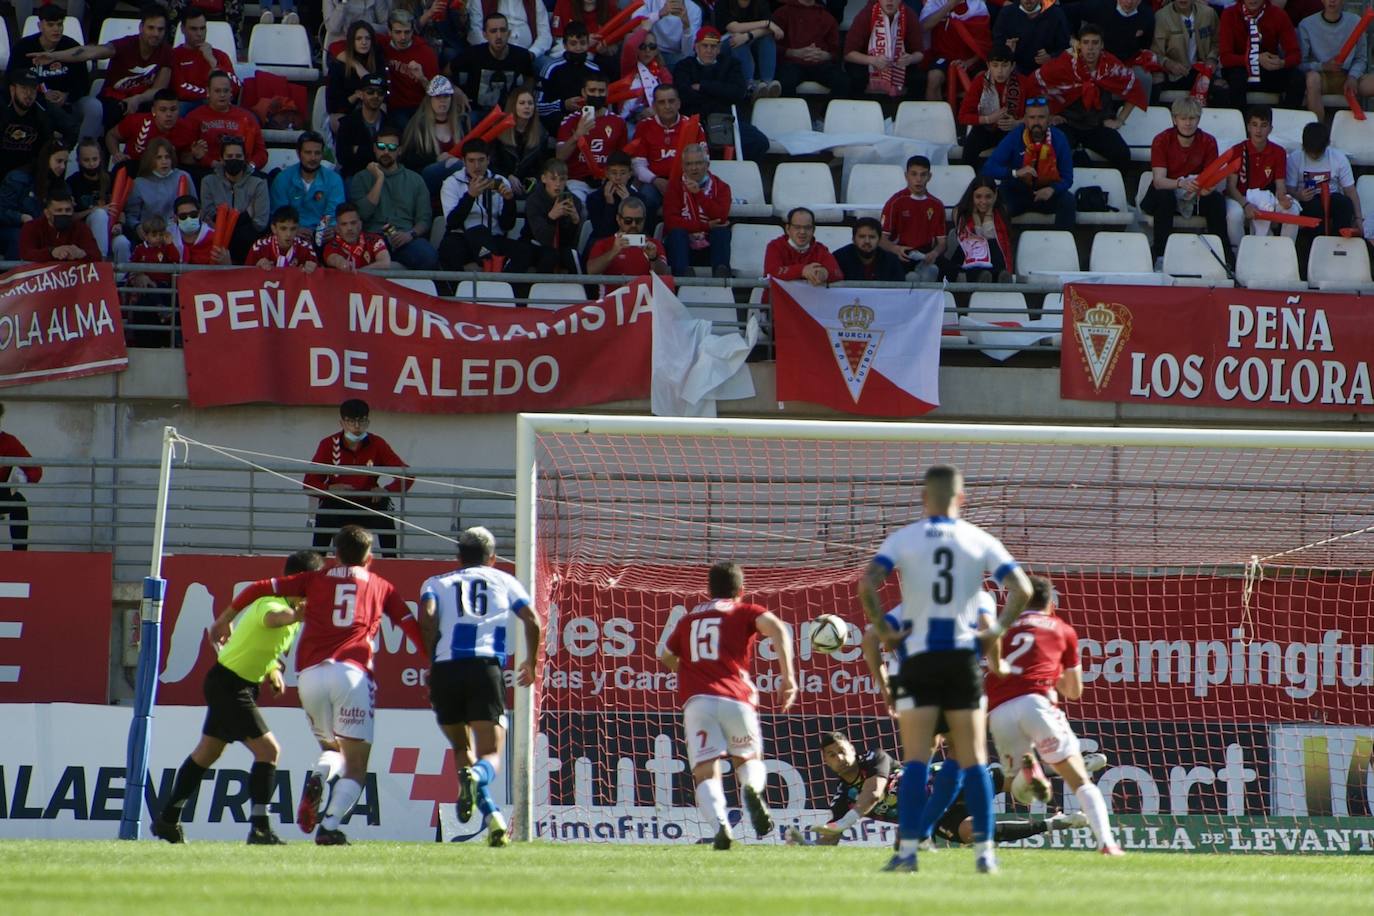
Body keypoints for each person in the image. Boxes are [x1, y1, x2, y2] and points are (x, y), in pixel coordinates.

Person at [856, 463, 1034, 874]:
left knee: (916, 760)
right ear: (962, 498)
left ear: (924, 498)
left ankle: (907, 853)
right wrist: (997, 640)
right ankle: (985, 854)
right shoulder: (978, 538)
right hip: (960, 658)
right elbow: (1021, 589)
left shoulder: (906, 537)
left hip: (918, 661)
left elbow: (867, 584)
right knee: (973, 758)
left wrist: (885, 629)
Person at [217, 526, 423, 845]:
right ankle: (329, 825)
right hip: (352, 674)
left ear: (335, 554)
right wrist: (433, 664)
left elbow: (258, 588)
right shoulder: (382, 586)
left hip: (310, 675)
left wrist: (223, 619)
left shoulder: (314, 579)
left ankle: (319, 775)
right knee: (356, 765)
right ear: (369, 557)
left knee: (331, 748)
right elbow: (409, 624)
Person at [152, 549, 326, 845]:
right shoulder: (274, 604)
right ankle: (259, 828)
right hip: (230, 686)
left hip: (232, 683)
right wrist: (295, 614)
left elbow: (256, 643)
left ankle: (168, 819)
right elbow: (272, 619)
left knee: (207, 753)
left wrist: (272, 670)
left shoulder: (292, 609)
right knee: (268, 751)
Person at [417, 526, 542, 848]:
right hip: (485, 669)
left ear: (459, 557)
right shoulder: (505, 580)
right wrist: (531, 662)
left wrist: (433, 659)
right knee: (490, 754)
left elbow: (427, 618)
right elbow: (533, 620)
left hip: (446, 671)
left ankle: (492, 818)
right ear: (493, 558)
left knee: (461, 748)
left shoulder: (435, 583)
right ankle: (476, 779)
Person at [658, 561, 797, 849]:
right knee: (748, 761)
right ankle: (751, 789)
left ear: (709, 591)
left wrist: (693, 670)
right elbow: (779, 630)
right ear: (741, 590)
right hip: (736, 698)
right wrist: (788, 679)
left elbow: (666, 656)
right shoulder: (745, 610)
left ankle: (720, 825)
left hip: (697, 703)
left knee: (705, 772)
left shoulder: (689, 620)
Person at [986, 574, 1123, 855]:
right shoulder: (1061, 629)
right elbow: (1074, 690)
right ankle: (1107, 843)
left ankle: (1032, 768)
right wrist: (1052, 670)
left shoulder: (1002, 629)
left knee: (1020, 792)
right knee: (1080, 782)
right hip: (1036, 703)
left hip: (998, 711)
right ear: (1050, 603)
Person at [788, 731, 1090, 848]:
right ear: (825, 762)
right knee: (975, 834)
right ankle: (1056, 823)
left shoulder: (874, 758)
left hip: (944, 786)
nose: (837, 758)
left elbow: (875, 793)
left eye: (840, 750)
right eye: (830, 755)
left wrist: (843, 822)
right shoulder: (842, 797)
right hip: (932, 820)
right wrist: (808, 845)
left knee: (1016, 782)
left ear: (852, 749)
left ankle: (1074, 767)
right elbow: (831, 842)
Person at [30, 4, 173, 131]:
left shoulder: (166, 52)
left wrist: (138, 99)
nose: (155, 34)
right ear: (141, 27)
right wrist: (55, 56)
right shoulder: (126, 45)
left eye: (160, 29)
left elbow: (159, 90)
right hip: (113, 100)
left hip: (143, 102)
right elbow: (90, 52)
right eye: (151, 28)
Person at [303, 400, 413, 558]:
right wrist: (330, 489)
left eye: (361, 421)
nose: (356, 426)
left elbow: (407, 474)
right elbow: (308, 483)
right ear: (342, 422)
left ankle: (391, 561)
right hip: (337, 502)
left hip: (369, 503)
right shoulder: (328, 444)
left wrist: (386, 490)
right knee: (324, 514)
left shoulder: (377, 444)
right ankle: (317, 563)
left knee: (386, 512)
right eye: (351, 421)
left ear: (368, 422)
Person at [1034, 25, 1146, 171]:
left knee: (1122, 154)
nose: (1090, 47)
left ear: (1102, 45)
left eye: (1095, 43)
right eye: (1086, 42)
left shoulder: (1111, 65)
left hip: (1097, 125)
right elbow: (1037, 85)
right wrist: (1050, 115)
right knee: (1054, 154)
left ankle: (1117, 189)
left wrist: (1120, 120)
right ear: (1079, 45)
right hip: (1068, 123)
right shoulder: (1065, 62)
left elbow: (1134, 89)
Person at [1142, 96, 1227, 266]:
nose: (1187, 123)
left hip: (1195, 192)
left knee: (1216, 200)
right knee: (1165, 197)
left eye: (1192, 118)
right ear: (1174, 119)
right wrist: (1180, 183)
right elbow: (1159, 181)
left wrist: (1205, 189)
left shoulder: (1208, 141)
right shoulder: (1161, 140)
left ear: (1198, 119)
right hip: (1166, 191)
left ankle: (1224, 257)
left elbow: (1211, 179)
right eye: (1183, 118)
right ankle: (1160, 256)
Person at [348, 126, 440, 270]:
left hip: (405, 238)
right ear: (374, 149)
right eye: (381, 146)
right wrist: (379, 179)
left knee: (428, 256)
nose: (386, 152)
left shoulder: (415, 180)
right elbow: (363, 214)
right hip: (372, 239)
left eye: (391, 147)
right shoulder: (361, 178)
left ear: (399, 151)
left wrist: (410, 234)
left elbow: (424, 219)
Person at [673, 26, 768, 162]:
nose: (709, 50)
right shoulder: (684, 66)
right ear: (696, 47)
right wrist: (721, 92)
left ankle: (734, 171)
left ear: (719, 48)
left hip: (726, 121)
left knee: (760, 142)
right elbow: (684, 95)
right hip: (695, 121)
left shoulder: (731, 64)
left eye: (713, 46)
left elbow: (738, 92)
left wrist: (703, 86)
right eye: (705, 46)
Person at [984, 96, 1076, 230]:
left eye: (1041, 117)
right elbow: (988, 168)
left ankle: (1061, 246)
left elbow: (1068, 178)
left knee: (1068, 201)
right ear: (1025, 120)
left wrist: (1053, 189)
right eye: (1032, 118)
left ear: (1049, 119)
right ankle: (1004, 247)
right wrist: (1015, 173)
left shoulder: (1059, 138)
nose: (1036, 122)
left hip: (1046, 193)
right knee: (999, 205)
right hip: (1017, 192)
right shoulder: (1015, 137)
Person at [10, 4, 94, 145]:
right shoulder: (23, 47)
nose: (56, 29)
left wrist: (67, 95)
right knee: (47, 111)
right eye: (50, 25)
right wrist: (41, 95)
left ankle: (85, 153)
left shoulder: (72, 47)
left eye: (60, 24)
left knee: (94, 107)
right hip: (34, 101)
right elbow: (11, 79)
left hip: (69, 100)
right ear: (40, 26)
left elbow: (83, 83)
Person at [438, 138, 526, 271]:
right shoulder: (452, 183)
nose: (477, 166)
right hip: (462, 238)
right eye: (471, 161)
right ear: (463, 161)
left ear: (488, 160)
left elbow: (507, 226)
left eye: (481, 160)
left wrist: (509, 201)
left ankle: (504, 286)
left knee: (524, 251)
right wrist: (470, 196)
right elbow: (452, 223)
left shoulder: (500, 181)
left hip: (493, 238)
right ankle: (487, 269)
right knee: (450, 248)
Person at [1224, 105, 1300, 253]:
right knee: (1234, 215)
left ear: (1271, 128)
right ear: (1248, 127)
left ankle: (1284, 254)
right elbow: (1231, 187)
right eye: (1254, 125)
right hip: (1240, 197)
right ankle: (1238, 255)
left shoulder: (1278, 152)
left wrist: (1283, 198)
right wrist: (1245, 205)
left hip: (1266, 196)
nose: (1258, 130)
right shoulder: (1238, 150)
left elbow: (1280, 185)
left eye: (1263, 125)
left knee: (1292, 210)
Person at [1287, 120, 1362, 270]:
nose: (1314, 155)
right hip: (1307, 199)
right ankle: (1316, 254)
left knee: (1344, 204)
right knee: (1314, 209)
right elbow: (1288, 189)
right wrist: (1299, 195)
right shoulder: (1295, 158)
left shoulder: (1338, 158)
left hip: (1332, 196)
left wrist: (1359, 218)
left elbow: (1350, 190)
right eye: (1310, 152)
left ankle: (1339, 247)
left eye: (1318, 152)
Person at [624, 84, 706, 220]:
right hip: (654, 182)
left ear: (679, 103)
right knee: (645, 199)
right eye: (662, 102)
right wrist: (656, 180)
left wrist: (685, 183)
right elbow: (638, 165)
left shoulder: (693, 126)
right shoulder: (644, 126)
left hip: (687, 181)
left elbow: (704, 161)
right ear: (654, 106)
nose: (667, 106)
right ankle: (647, 238)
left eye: (671, 101)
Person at [555, 72, 629, 202]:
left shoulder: (618, 122)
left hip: (608, 181)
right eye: (592, 90)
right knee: (576, 204)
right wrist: (577, 135)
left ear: (607, 92)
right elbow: (560, 156)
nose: (596, 94)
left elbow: (622, 159)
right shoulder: (570, 121)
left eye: (601, 91)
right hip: (577, 182)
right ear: (583, 92)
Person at [662, 142, 733, 278]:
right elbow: (671, 222)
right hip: (683, 246)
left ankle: (721, 275)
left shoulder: (722, 187)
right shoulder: (674, 187)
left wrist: (699, 194)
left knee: (722, 231)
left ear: (707, 165)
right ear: (683, 167)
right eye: (689, 164)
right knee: (677, 233)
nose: (694, 168)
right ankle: (684, 276)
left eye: (698, 163)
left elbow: (721, 217)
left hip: (709, 246)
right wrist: (705, 225)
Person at [119, 138, 195, 262]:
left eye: (167, 157)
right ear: (151, 159)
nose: (164, 161)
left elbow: (195, 207)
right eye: (159, 158)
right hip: (151, 237)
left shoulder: (184, 177)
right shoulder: (139, 184)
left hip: (177, 235)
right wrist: (138, 227)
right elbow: (131, 216)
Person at [178, 71, 268, 175]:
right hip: (207, 172)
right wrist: (201, 158)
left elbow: (262, 153)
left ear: (231, 92)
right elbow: (185, 155)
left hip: (241, 172)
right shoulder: (194, 117)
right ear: (208, 91)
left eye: (225, 91)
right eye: (217, 91)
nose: (222, 95)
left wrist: (250, 166)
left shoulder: (247, 117)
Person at [1297, 0, 1374, 120]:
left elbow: (1361, 58)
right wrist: (1323, 66)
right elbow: (1301, 64)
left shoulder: (1355, 21)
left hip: (1348, 76)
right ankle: (1318, 130)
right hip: (1322, 77)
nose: (1332, 1)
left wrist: (1353, 76)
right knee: (1312, 79)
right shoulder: (1306, 24)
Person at [454, 13, 537, 123]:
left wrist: (522, 96)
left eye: (502, 30)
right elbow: (445, 74)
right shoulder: (472, 54)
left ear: (509, 33)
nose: (498, 36)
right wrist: (457, 91)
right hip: (476, 111)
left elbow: (530, 79)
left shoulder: (521, 56)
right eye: (493, 31)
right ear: (485, 35)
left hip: (507, 112)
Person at [1218, 0, 1300, 111]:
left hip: (1268, 69)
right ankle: (1241, 123)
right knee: (1237, 77)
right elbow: (1225, 58)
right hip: (1241, 69)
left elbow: (1295, 54)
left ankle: (1288, 120)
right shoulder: (1229, 14)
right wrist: (1256, 59)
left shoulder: (1278, 14)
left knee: (1297, 77)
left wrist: (1282, 63)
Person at [200, 136, 270, 262]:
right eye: (230, 156)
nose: (234, 160)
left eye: (238, 156)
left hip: (248, 244)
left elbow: (260, 223)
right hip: (217, 243)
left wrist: (226, 222)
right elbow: (208, 218)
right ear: (221, 159)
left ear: (245, 158)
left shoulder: (259, 184)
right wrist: (247, 215)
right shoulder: (208, 182)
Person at [271, 132, 348, 244]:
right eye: (308, 152)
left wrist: (331, 229)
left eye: (317, 153)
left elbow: (334, 213)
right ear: (298, 153)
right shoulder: (283, 179)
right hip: (290, 235)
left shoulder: (334, 180)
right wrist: (295, 229)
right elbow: (279, 213)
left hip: (324, 238)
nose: (313, 158)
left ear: (322, 154)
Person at [879, 155, 946, 281]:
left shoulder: (937, 204)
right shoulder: (895, 202)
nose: (918, 179)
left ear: (929, 177)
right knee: (896, 268)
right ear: (906, 176)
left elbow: (942, 243)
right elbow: (881, 239)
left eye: (923, 174)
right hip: (902, 252)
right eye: (914, 174)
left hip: (926, 253)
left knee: (948, 268)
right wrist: (895, 249)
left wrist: (935, 253)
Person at [959, 45, 1029, 165]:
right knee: (970, 148)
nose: (1000, 71)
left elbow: (1037, 114)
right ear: (988, 65)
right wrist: (988, 119)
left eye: (1005, 65)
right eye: (995, 65)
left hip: (1014, 129)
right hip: (986, 128)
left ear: (1012, 66)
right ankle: (970, 180)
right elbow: (963, 116)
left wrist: (1018, 123)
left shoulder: (1024, 82)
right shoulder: (980, 82)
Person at [0, 140, 68, 260]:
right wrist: (21, 217)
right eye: (59, 161)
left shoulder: (61, 185)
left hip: (41, 230)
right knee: (19, 236)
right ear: (46, 159)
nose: (63, 166)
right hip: (11, 229)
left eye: (65, 162)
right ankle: (14, 276)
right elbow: (1, 210)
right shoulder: (17, 178)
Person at [938, 177, 1015, 282]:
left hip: (993, 258)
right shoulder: (960, 211)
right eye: (978, 197)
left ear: (995, 195)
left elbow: (991, 240)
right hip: (967, 255)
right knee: (981, 245)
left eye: (988, 197)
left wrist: (988, 214)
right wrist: (976, 219)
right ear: (971, 196)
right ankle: (990, 276)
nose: (983, 201)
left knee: (992, 243)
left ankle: (994, 275)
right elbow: (976, 242)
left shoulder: (1001, 212)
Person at [401, 76, 463, 194]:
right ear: (430, 100)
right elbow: (407, 160)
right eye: (437, 96)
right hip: (427, 180)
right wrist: (435, 159)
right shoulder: (418, 125)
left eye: (446, 96)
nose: (442, 100)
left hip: (457, 181)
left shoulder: (462, 123)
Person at [775, 0, 850, 98]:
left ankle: (826, 113)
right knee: (783, 82)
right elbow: (771, 46)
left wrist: (826, 56)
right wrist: (792, 52)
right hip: (792, 64)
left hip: (819, 64)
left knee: (844, 82)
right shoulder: (782, 13)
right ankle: (792, 112)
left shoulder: (827, 17)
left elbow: (836, 50)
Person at [523, 157, 586, 272]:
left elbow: (570, 241)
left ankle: (584, 288)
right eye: (553, 179)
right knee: (549, 255)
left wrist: (575, 222)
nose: (558, 184)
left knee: (572, 255)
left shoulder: (574, 201)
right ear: (543, 178)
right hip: (535, 244)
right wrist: (551, 217)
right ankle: (538, 288)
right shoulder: (534, 201)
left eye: (562, 179)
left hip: (562, 247)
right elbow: (542, 238)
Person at [538, 21, 603, 133]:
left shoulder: (595, 70)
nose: (578, 48)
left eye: (582, 43)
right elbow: (538, 107)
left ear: (588, 44)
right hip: (558, 121)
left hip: (588, 119)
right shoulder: (551, 68)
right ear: (564, 45)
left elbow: (604, 101)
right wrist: (563, 105)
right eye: (573, 43)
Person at [1151, 0, 1221, 102]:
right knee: (1155, 82)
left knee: (1221, 89)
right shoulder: (1161, 16)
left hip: (1202, 69)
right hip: (1173, 73)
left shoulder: (1208, 13)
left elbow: (1218, 42)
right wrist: (1167, 63)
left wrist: (1212, 58)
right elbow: (1155, 52)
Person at [325, 21, 388, 134]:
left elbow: (384, 92)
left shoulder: (378, 59)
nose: (364, 42)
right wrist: (355, 96)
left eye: (367, 38)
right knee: (337, 121)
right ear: (351, 41)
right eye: (358, 39)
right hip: (346, 109)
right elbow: (333, 105)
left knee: (383, 110)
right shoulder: (338, 66)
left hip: (372, 107)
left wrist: (370, 95)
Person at [587, 196, 670, 281]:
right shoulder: (603, 244)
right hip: (612, 294)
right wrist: (613, 252)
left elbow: (664, 276)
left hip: (644, 293)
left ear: (644, 220)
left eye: (638, 221)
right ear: (618, 219)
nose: (633, 225)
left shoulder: (654, 245)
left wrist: (653, 258)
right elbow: (591, 271)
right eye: (628, 221)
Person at [173, 7, 240, 109]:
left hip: (220, 106)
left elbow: (235, 87)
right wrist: (211, 95)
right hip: (191, 105)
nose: (199, 34)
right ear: (182, 29)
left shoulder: (219, 55)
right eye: (193, 29)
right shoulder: (174, 55)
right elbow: (180, 89)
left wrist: (213, 62)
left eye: (202, 28)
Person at [382, 10, 439, 126]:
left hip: (420, 106)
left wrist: (422, 78)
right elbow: (336, 46)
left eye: (407, 32)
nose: (403, 37)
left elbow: (436, 92)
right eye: (398, 32)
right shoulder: (382, 44)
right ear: (389, 32)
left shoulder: (426, 52)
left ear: (413, 31)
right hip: (394, 107)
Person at [716, 0, 783, 97]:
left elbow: (769, 30)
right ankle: (749, 86)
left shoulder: (760, 2)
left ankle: (768, 84)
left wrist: (748, 36)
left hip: (750, 39)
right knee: (737, 41)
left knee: (767, 39)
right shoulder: (723, 2)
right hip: (726, 43)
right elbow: (734, 27)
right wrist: (766, 23)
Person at [105, 89, 182, 171]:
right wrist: (117, 153)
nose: (169, 114)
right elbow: (111, 135)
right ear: (153, 111)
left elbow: (187, 158)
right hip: (135, 168)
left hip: (168, 171)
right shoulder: (135, 121)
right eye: (163, 110)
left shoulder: (187, 127)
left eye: (173, 109)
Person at [764, 207, 843, 286]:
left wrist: (825, 273)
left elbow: (838, 274)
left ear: (813, 230)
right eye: (797, 227)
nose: (802, 232)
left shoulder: (820, 249)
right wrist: (802, 270)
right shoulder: (775, 246)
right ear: (787, 229)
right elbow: (771, 272)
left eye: (807, 228)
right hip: (778, 297)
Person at [0, 70, 56, 181]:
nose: (29, 94)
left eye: (33, 89)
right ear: (12, 89)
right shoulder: (2, 110)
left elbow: (72, 128)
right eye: (23, 88)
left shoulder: (42, 113)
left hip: (28, 177)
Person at [0, 404, 42, 551]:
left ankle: (20, 555)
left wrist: (22, 478)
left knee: (19, 502)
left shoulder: (8, 442)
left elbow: (35, 469)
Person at [992, 0, 1071, 76]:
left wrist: (1051, 57)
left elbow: (1065, 47)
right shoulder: (1006, 13)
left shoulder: (1056, 14)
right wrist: (1007, 51)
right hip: (1015, 70)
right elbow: (997, 46)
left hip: (1046, 72)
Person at [19, 188, 100, 262]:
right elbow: (26, 253)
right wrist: (52, 252)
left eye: (68, 210)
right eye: (59, 210)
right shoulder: (32, 227)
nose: (64, 213)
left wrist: (81, 253)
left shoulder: (81, 228)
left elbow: (97, 256)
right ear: (47, 213)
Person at [586, 151, 651, 241]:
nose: (618, 178)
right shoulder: (594, 198)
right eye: (614, 173)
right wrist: (610, 204)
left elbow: (641, 232)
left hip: (631, 242)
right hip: (603, 244)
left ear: (630, 174)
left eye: (623, 173)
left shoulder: (639, 199)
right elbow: (602, 233)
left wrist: (628, 203)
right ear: (607, 173)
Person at [491, 85, 547, 188]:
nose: (527, 107)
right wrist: (508, 176)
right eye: (522, 103)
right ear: (513, 106)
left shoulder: (541, 134)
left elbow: (541, 166)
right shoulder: (498, 130)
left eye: (530, 103)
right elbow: (492, 164)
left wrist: (533, 179)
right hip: (502, 182)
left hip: (526, 186)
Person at [336, 74, 390, 178]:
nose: (375, 96)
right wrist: (378, 150)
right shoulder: (347, 122)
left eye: (380, 92)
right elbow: (342, 157)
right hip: (355, 175)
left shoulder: (391, 122)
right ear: (360, 94)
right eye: (370, 91)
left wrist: (358, 149)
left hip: (385, 175)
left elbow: (395, 156)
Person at [68, 139, 113, 257]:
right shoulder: (72, 182)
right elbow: (70, 217)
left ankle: (123, 275)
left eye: (95, 159)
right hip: (82, 231)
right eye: (86, 160)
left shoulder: (110, 179)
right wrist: (93, 210)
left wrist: (118, 223)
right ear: (78, 161)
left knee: (122, 243)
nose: (92, 164)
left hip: (111, 228)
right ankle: (100, 261)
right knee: (99, 214)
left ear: (100, 158)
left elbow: (121, 210)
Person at [468, 0, 553, 61]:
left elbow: (545, 35)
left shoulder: (535, 1)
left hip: (530, 55)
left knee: (548, 67)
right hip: (492, 55)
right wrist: (492, 53)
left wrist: (532, 53)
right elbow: (475, 33)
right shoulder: (479, 1)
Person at [323, 201, 393, 270]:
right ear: (337, 228)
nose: (349, 228)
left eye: (353, 223)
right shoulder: (331, 246)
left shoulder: (375, 239)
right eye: (344, 224)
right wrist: (343, 264)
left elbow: (385, 263)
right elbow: (335, 259)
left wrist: (359, 272)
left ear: (360, 224)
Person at [249, 206, 321, 271]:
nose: (288, 234)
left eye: (293, 229)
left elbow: (319, 279)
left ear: (298, 228)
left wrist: (314, 271)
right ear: (274, 228)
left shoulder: (307, 248)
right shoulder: (259, 247)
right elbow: (245, 276)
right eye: (283, 228)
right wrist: (256, 268)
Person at [833, 217, 906, 282]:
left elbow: (900, 292)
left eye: (872, 237)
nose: (867, 241)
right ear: (853, 239)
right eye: (862, 236)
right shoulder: (838, 258)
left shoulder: (891, 261)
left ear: (879, 240)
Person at [169, 195, 231, 264]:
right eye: (183, 216)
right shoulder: (168, 237)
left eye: (193, 214)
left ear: (200, 213)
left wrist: (227, 263)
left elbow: (228, 271)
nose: (189, 219)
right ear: (175, 218)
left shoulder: (214, 238)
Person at [645, 0, 706, 68]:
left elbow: (688, 52)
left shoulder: (694, 10)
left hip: (676, 55)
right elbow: (636, 26)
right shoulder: (650, 2)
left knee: (687, 63)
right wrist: (658, 14)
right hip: (651, 49)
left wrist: (686, 26)